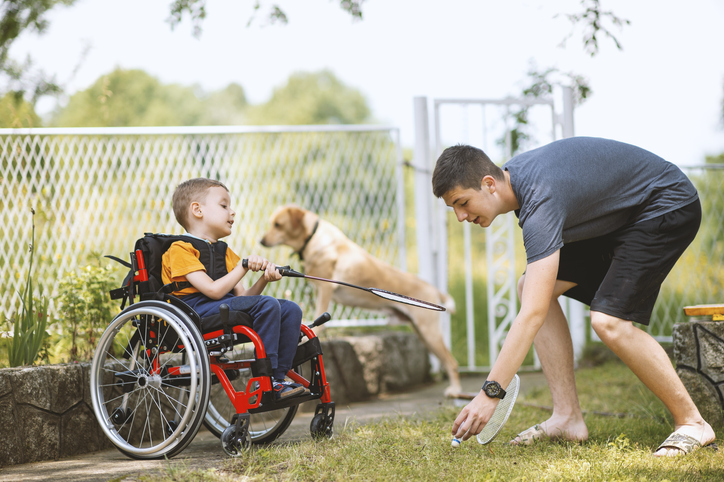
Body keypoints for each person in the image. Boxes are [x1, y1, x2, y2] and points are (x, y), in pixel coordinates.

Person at [432, 137, 716, 456]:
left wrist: (490, 393)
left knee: (609, 322)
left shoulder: (539, 197)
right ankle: (567, 417)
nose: (459, 216)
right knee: (530, 288)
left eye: (462, 202)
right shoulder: (524, 186)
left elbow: (532, 315)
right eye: (453, 208)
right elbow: (535, 302)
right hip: (620, 218)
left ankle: (693, 423)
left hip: (665, 203)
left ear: (488, 184)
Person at [162, 177, 305, 400]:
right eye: (224, 205)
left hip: (221, 307)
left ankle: (277, 378)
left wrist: (264, 280)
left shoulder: (225, 253)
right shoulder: (180, 250)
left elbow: (245, 297)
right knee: (268, 304)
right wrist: (243, 266)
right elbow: (213, 291)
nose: (233, 212)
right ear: (197, 210)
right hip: (194, 311)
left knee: (290, 309)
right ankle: (265, 381)